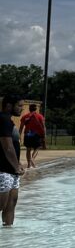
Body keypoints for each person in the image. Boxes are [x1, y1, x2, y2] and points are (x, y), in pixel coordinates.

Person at [0, 96, 25, 227]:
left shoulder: (9, 121)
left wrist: (18, 164)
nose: (22, 108)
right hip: (3, 170)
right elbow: (7, 146)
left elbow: (13, 147)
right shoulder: (3, 120)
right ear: (9, 105)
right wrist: (16, 166)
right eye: (19, 106)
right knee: (1, 205)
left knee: (11, 205)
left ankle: (8, 238)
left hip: (11, 170)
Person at [19, 103, 46, 169]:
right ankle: (32, 159)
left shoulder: (25, 117)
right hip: (36, 134)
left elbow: (21, 127)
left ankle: (29, 165)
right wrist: (44, 135)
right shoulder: (40, 116)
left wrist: (19, 136)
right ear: (36, 109)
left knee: (28, 149)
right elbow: (43, 127)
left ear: (29, 109)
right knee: (37, 147)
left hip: (27, 134)